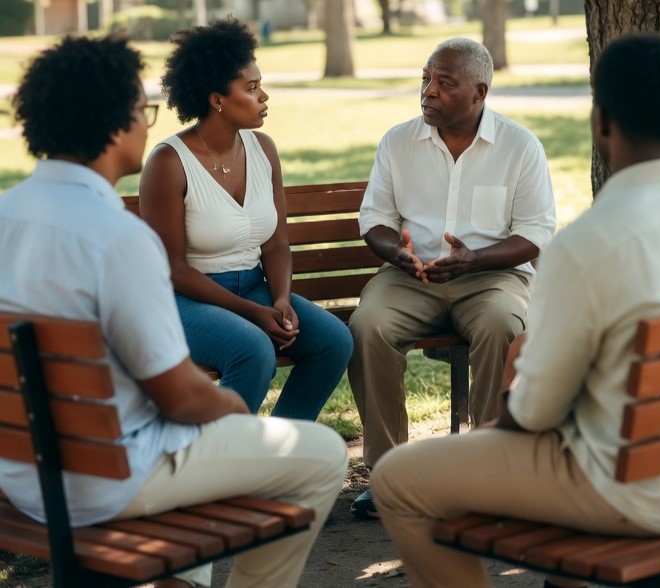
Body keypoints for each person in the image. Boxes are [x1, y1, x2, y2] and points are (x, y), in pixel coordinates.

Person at [369, 33, 660, 588]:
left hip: (629, 488)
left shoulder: (586, 245)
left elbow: (535, 414)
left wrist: (495, 429)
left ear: (602, 122)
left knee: (399, 477)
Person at [0, 34, 347, 588]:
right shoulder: (117, 236)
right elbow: (182, 397)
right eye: (144, 110)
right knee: (323, 454)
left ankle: (186, 579)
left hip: (21, 473)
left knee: (214, 450)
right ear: (116, 123)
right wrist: (237, 418)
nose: (148, 122)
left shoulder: (6, 213)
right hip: (110, 477)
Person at [348, 37, 556, 518]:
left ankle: (483, 473)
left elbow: (536, 232)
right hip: (411, 276)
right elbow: (374, 219)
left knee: (503, 324)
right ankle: (389, 474)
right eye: (425, 79)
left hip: (492, 277)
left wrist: (476, 259)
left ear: (479, 92)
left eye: (444, 83)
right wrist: (395, 254)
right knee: (367, 326)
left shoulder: (519, 146)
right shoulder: (398, 142)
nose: (428, 91)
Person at [139, 17, 353, 418]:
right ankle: (222, 465)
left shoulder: (263, 149)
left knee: (333, 341)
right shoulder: (169, 162)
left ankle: (277, 453)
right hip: (186, 300)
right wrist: (254, 313)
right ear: (217, 98)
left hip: (254, 288)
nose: (264, 96)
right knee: (253, 350)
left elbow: (276, 243)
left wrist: (281, 298)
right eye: (251, 88)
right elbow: (172, 269)